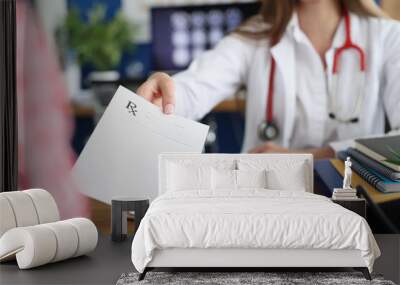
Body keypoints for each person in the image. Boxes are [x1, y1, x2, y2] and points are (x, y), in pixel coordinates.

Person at [136, 0, 400, 158]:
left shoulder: (387, 38)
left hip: (359, 209)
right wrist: (166, 93)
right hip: (266, 207)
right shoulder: (253, 38)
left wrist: (313, 157)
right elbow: (195, 87)